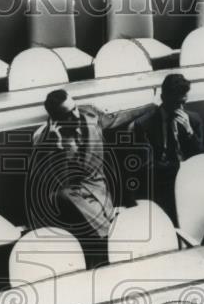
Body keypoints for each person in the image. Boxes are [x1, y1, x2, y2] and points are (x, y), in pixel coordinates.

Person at [29, 89, 146, 266]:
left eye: (75, 107)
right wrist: (57, 142)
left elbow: (117, 118)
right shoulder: (43, 138)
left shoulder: (90, 114)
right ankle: (110, 239)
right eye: (69, 113)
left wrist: (151, 107)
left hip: (96, 185)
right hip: (68, 191)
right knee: (67, 194)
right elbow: (45, 179)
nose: (76, 114)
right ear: (56, 118)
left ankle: (110, 243)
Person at [131, 74, 204, 223]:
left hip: (190, 179)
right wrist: (180, 167)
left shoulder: (193, 120)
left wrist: (189, 132)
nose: (181, 109)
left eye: (184, 103)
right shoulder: (144, 125)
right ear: (164, 98)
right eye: (176, 104)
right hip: (162, 182)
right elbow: (147, 167)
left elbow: (201, 157)